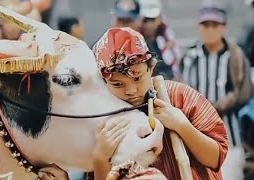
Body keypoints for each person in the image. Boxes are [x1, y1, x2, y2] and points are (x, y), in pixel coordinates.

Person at [89, 27, 228, 180]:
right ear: (103, 83)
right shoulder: (101, 122)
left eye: (137, 78)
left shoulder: (180, 96)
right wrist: (100, 158)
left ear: (151, 67)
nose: (131, 91)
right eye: (117, 84)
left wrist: (182, 126)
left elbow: (216, 159)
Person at [180, 0, 253, 148]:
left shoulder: (236, 57)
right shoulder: (190, 57)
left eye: (215, 25)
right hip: (196, 133)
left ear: (224, 27)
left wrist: (219, 106)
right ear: (199, 27)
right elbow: (181, 90)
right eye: (206, 25)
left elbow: (244, 93)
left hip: (230, 136)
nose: (210, 30)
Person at [138, 0, 181, 80]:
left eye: (152, 19)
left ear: (159, 18)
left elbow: (176, 64)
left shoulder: (166, 36)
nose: (149, 25)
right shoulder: (136, 39)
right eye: (146, 20)